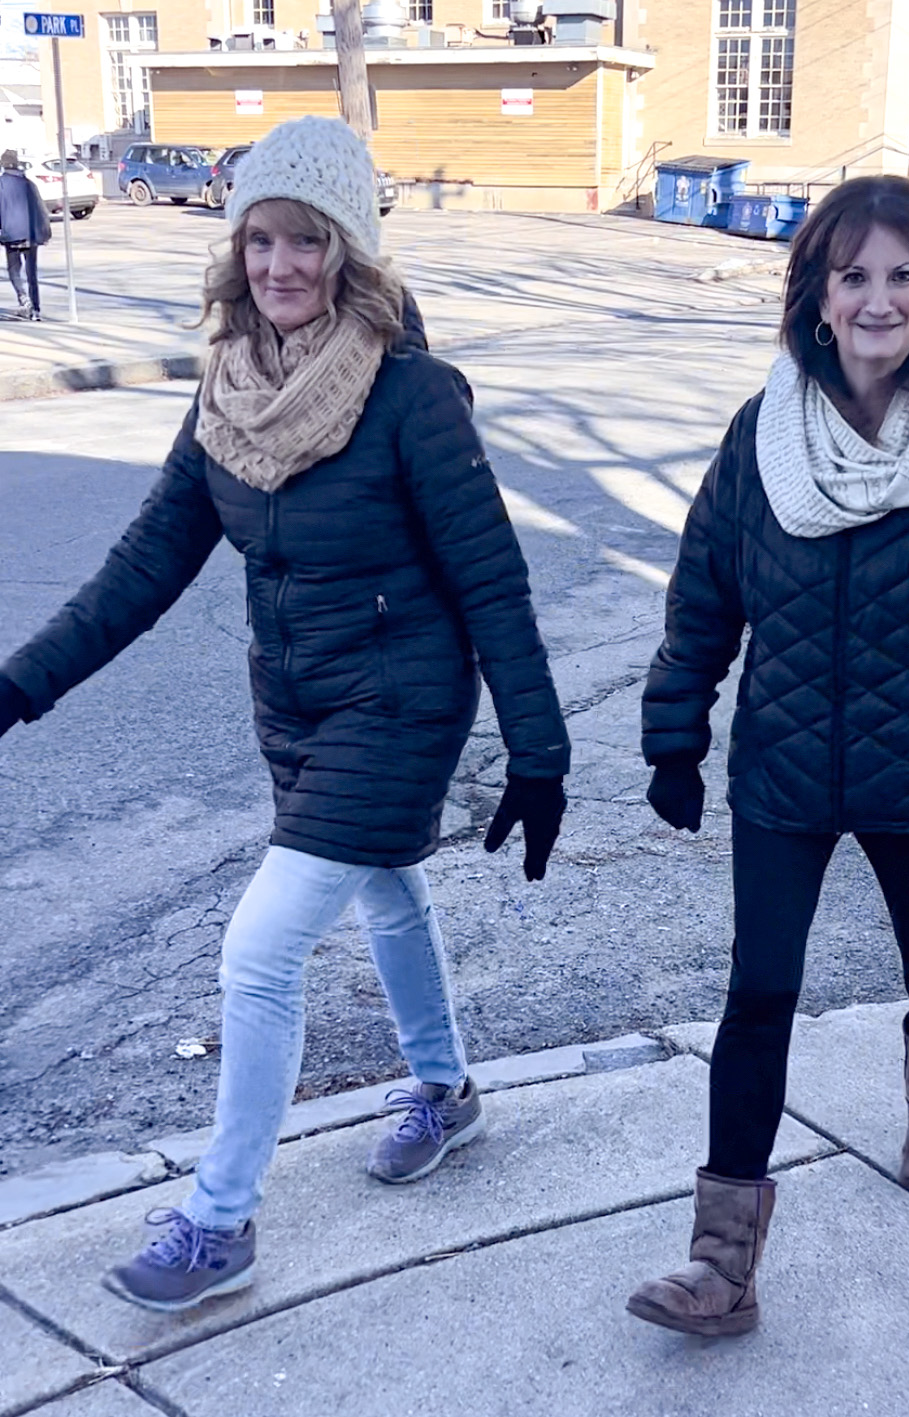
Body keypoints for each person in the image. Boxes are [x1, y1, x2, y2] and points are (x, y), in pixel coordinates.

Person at [0, 115, 570, 1312]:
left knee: (259, 952)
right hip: (299, 707)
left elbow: (491, 578)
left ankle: (221, 1217)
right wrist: (18, 686)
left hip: (402, 706)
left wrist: (540, 749)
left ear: (349, 249)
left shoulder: (412, 396)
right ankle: (448, 1090)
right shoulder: (229, 395)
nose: (280, 267)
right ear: (236, 249)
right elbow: (140, 568)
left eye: (306, 240)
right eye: (260, 239)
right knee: (386, 891)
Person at [627, 175, 909, 1338]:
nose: (876, 298)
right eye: (853, 275)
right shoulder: (762, 434)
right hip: (784, 763)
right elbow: (704, 599)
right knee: (759, 992)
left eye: (902, 275)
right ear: (817, 297)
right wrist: (675, 738)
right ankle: (719, 1265)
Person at [0, 149, 51, 321]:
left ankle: (24, 299)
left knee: (14, 270)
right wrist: (45, 233)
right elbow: (41, 210)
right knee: (32, 273)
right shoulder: (29, 184)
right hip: (31, 234)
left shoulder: (1, 184)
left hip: (11, 235)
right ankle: (36, 309)